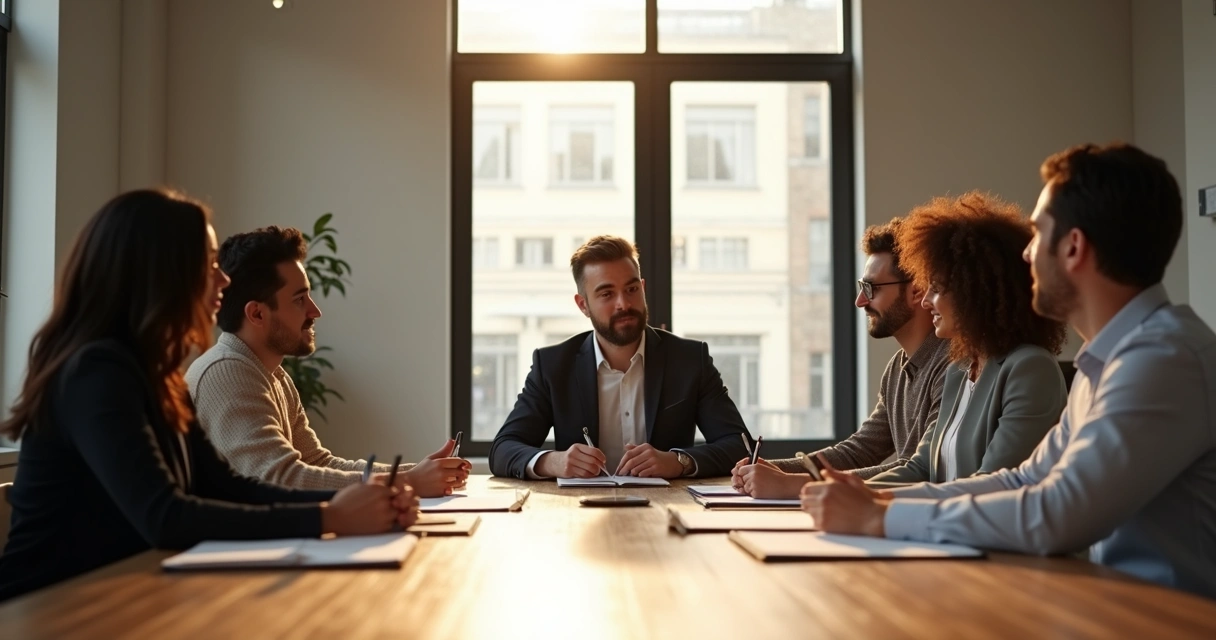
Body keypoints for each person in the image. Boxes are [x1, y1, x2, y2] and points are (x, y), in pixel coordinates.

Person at [800, 143, 1216, 599]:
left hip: (1169, 620)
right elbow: (1024, 479)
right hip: (1113, 609)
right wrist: (878, 500)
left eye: (1038, 234)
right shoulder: (1109, 361)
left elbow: (1057, 512)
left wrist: (879, 517)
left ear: (1074, 247)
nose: (1026, 254)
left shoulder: (1163, 358)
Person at [0, 190, 417, 603]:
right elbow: (166, 516)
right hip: (43, 611)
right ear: (162, 272)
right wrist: (332, 516)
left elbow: (227, 486)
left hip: (115, 598)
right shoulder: (96, 371)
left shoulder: (155, 376)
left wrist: (357, 502)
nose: (224, 279)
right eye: (211, 263)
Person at [186, 226, 469, 497]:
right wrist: (407, 482)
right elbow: (280, 478)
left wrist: (419, 472)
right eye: (299, 300)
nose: (315, 311)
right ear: (257, 314)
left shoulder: (273, 375)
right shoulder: (226, 371)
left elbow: (317, 463)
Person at [489, 235, 750, 479]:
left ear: (643, 288)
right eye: (606, 294)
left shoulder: (690, 360)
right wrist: (553, 462)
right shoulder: (554, 366)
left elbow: (741, 447)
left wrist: (677, 461)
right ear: (583, 305)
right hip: (578, 514)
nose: (623, 304)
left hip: (668, 511)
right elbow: (503, 449)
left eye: (631, 289)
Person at [732, 218, 950, 498]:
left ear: (916, 290)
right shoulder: (898, 368)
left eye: (871, 288)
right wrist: (774, 470)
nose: (860, 300)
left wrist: (792, 484)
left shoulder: (952, 364)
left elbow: (916, 470)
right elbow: (860, 451)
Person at [863, 191, 1068, 484]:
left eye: (936, 288)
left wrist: (870, 504)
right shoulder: (959, 370)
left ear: (973, 292)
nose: (926, 301)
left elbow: (992, 485)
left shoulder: (1030, 369)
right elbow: (921, 469)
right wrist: (855, 493)